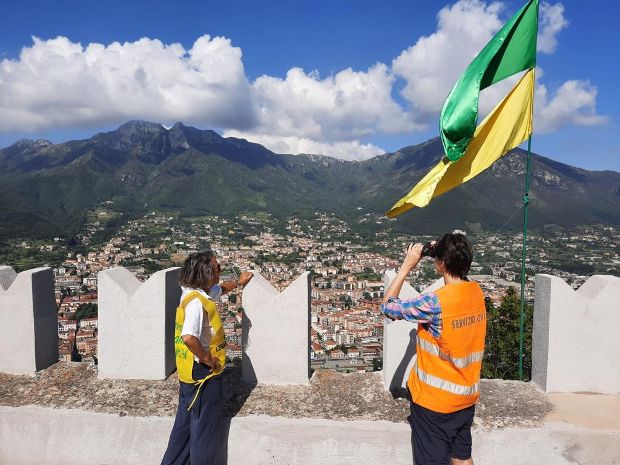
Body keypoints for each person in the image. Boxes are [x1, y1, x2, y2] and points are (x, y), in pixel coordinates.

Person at [380, 232, 486, 465]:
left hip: (435, 404)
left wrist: (407, 266)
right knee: (462, 456)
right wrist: (442, 248)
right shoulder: (476, 293)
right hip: (466, 397)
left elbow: (388, 307)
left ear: (440, 264)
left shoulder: (434, 302)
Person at [161, 250, 253, 465]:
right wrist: (206, 359)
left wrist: (237, 284)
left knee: (183, 431)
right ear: (205, 273)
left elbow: (219, 289)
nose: (220, 270)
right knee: (205, 434)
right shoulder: (196, 304)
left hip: (188, 375)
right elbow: (189, 337)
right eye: (217, 268)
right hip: (204, 376)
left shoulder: (192, 293)